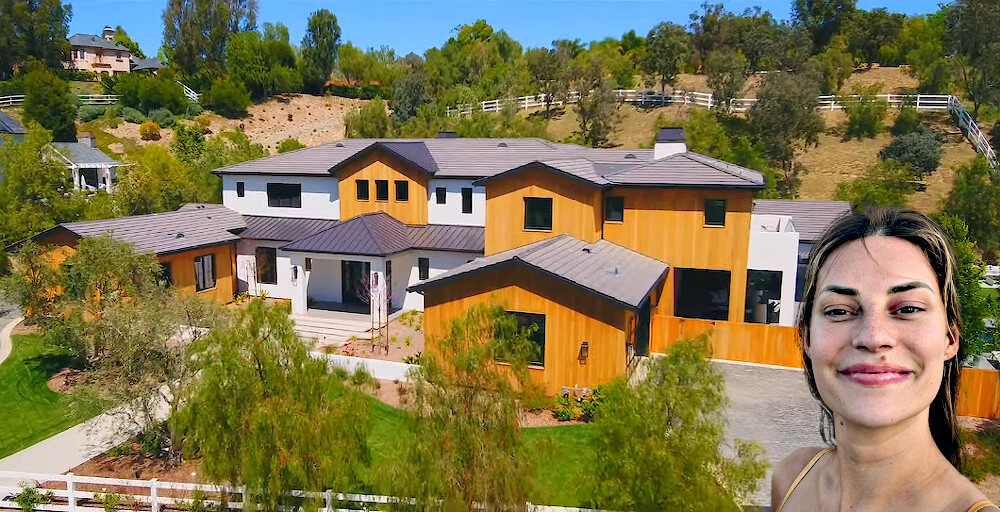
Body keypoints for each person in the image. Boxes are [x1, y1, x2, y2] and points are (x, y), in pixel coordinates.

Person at [771, 207, 999, 512]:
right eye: (839, 310)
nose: (873, 336)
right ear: (808, 338)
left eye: (908, 309)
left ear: (949, 338)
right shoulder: (792, 478)